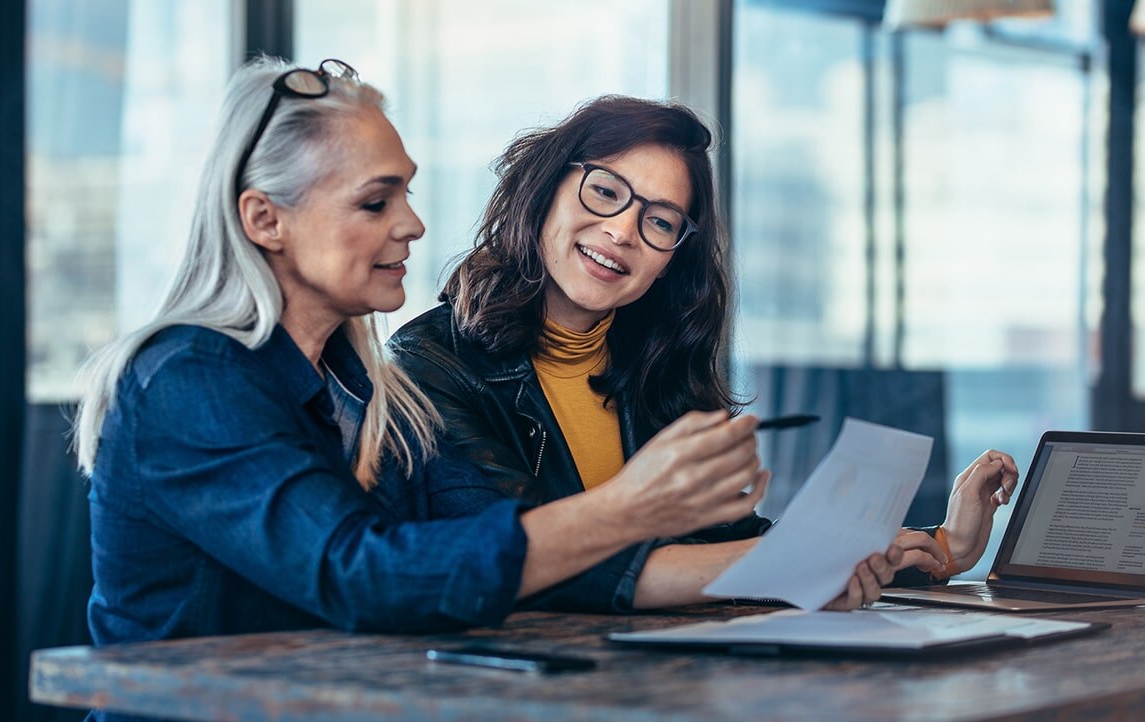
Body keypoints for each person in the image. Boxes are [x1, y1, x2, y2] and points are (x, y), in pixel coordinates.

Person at [70, 60, 910, 722]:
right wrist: (632, 507)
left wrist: (803, 571)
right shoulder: (187, 380)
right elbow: (364, 575)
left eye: (406, 194)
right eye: (376, 201)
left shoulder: (366, 390)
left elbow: (502, 543)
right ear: (266, 219)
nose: (413, 223)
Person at [389, 95, 1021, 607]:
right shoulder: (429, 366)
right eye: (605, 191)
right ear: (545, 189)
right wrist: (795, 565)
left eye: (660, 221)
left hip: (659, 691)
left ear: (671, 260)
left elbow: (727, 545)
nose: (622, 232)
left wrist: (943, 547)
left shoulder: (655, 368)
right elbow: (528, 562)